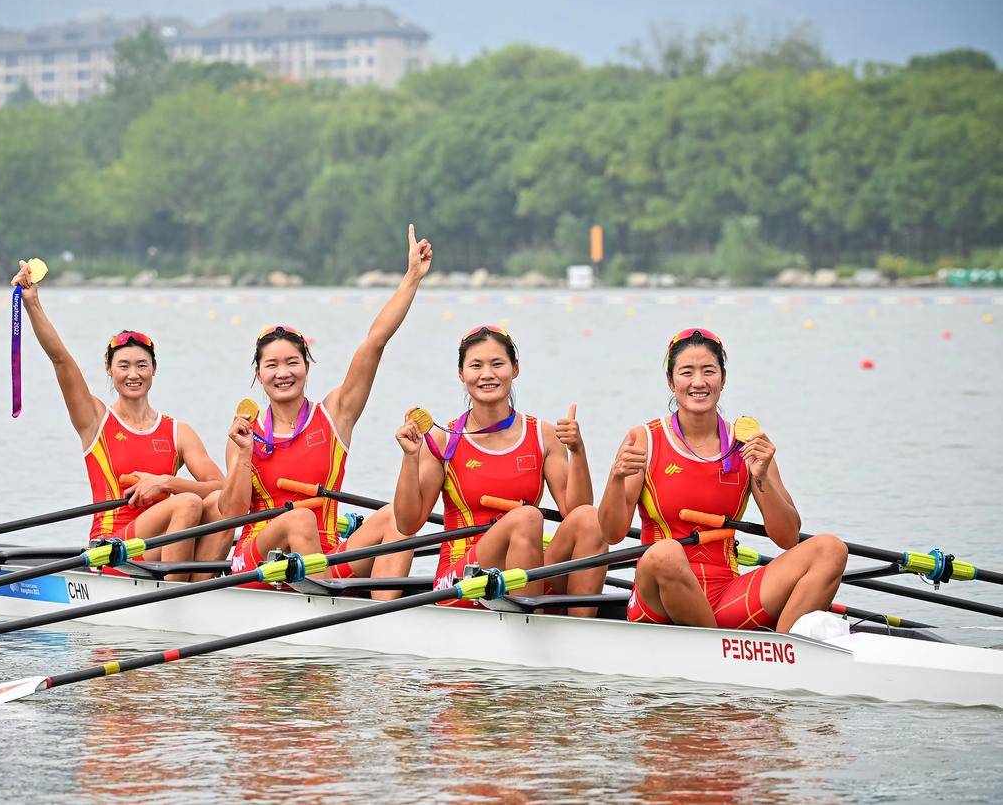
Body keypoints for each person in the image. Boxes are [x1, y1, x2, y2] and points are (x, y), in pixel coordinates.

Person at [217, 225, 433, 594]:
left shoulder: (336, 414)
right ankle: (328, 596)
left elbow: (374, 343)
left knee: (397, 518)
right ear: (258, 374)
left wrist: (412, 277)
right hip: (256, 564)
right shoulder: (244, 433)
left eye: (292, 362)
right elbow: (232, 514)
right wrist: (243, 455)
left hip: (326, 557)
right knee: (299, 517)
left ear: (307, 366)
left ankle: (384, 614)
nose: (283, 373)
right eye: (272, 366)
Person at [597, 328, 848, 632]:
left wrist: (761, 478)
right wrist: (615, 478)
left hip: (726, 596)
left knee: (831, 549)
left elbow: (787, 539)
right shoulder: (645, 440)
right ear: (671, 382)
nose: (699, 382)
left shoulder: (748, 443)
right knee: (665, 553)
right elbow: (611, 534)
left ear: (723, 379)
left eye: (709, 371)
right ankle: (720, 646)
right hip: (659, 599)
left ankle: (784, 650)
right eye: (687, 372)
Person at [10, 261, 227, 581]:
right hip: (111, 548)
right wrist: (32, 304)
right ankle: (176, 596)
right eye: (123, 366)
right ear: (109, 370)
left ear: (154, 369)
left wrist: (166, 482)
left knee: (218, 502)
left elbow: (224, 489)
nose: (133, 374)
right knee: (188, 504)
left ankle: (197, 590)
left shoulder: (178, 432)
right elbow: (61, 360)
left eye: (142, 365)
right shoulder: (95, 419)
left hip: (158, 547)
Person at [385, 326, 608, 614]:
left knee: (591, 518)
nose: (487, 374)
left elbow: (576, 512)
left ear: (515, 369)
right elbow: (407, 524)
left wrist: (577, 450)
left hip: (525, 568)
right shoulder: (443, 440)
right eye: (476, 365)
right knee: (527, 517)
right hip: (462, 579)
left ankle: (581, 628)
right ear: (461, 374)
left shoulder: (544, 435)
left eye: (497, 364)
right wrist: (410, 457)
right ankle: (530, 622)